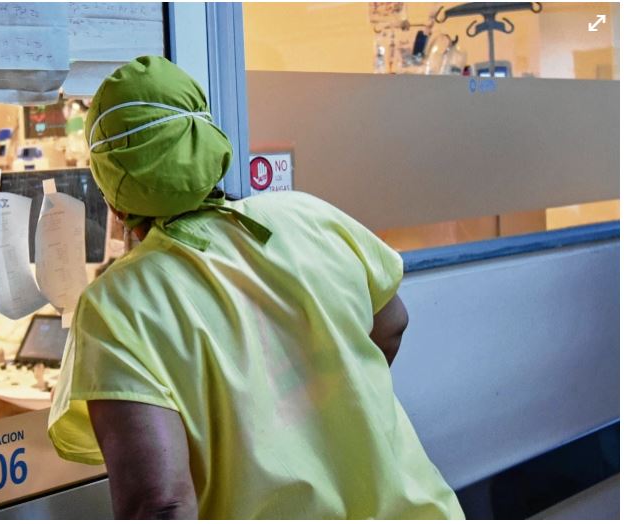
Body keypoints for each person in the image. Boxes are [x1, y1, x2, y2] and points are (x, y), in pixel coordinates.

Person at [46, 56, 464, 519]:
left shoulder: (119, 305)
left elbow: (158, 503)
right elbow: (391, 325)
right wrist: (324, 402)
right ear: (208, 142)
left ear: (112, 197)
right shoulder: (309, 216)